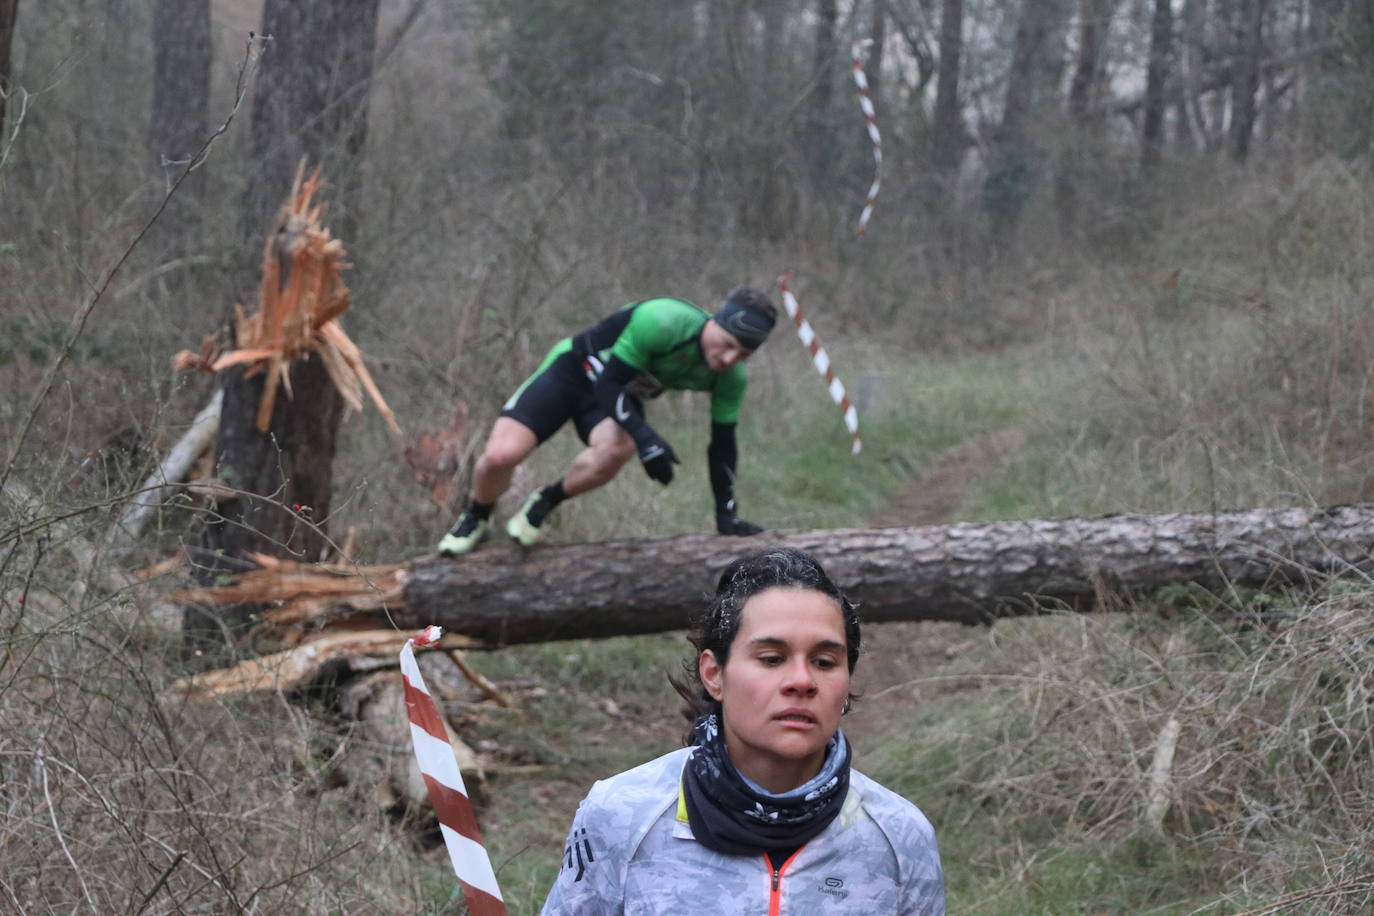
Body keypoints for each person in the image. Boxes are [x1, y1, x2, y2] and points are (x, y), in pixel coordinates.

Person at [541, 547, 946, 915]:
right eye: (772, 658)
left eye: (824, 662)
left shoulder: (900, 837)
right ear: (714, 674)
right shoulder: (621, 815)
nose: (802, 681)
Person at [438, 288, 778, 556]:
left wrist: (726, 514)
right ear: (715, 321)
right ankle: (478, 516)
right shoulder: (664, 320)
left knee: (617, 450)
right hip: (572, 373)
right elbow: (608, 382)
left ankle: (545, 501)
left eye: (744, 355)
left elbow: (722, 444)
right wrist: (647, 440)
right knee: (500, 457)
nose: (729, 359)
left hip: (613, 397)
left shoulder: (731, 378)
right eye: (728, 345)